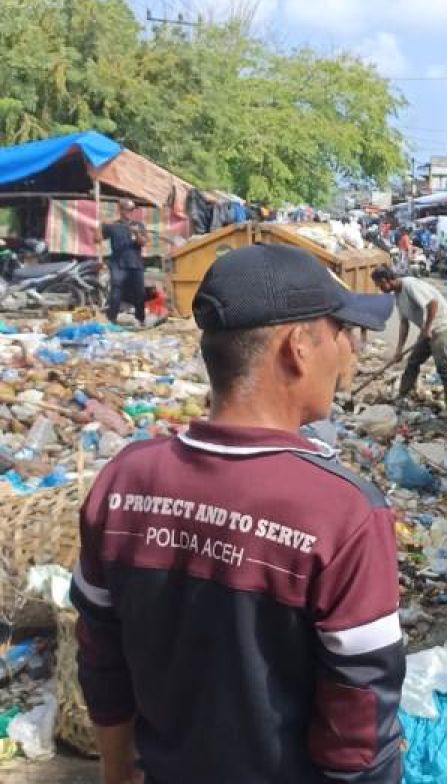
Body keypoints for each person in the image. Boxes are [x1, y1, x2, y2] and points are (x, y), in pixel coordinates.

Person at [70, 244, 405, 784]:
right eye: (342, 331)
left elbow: (101, 658)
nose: (350, 352)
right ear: (297, 347)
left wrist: (116, 773)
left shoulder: (125, 481)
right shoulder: (344, 514)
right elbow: (358, 729)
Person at [371, 265, 447, 415]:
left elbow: (433, 303)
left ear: (386, 280)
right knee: (412, 362)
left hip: (441, 325)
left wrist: (427, 328)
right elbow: (404, 324)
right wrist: (399, 350)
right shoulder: (398, 296)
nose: (380, 289)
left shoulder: (410, 285)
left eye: (379, 285)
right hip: (428, 329)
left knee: (442, 366)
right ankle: (402, 396)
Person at [95, 198, 148, 325]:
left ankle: (141, 319)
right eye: (128, 209)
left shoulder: (138, 225)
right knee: (116, 292)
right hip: (118, 264)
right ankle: (112, 319)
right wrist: (100, 225)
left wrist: (137, 234)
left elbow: (144, 242)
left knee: (140, 292)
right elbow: (97, 239)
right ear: (121, 210)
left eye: (132, 210)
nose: (131, 212)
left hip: (135, 264)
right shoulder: (113, 226)